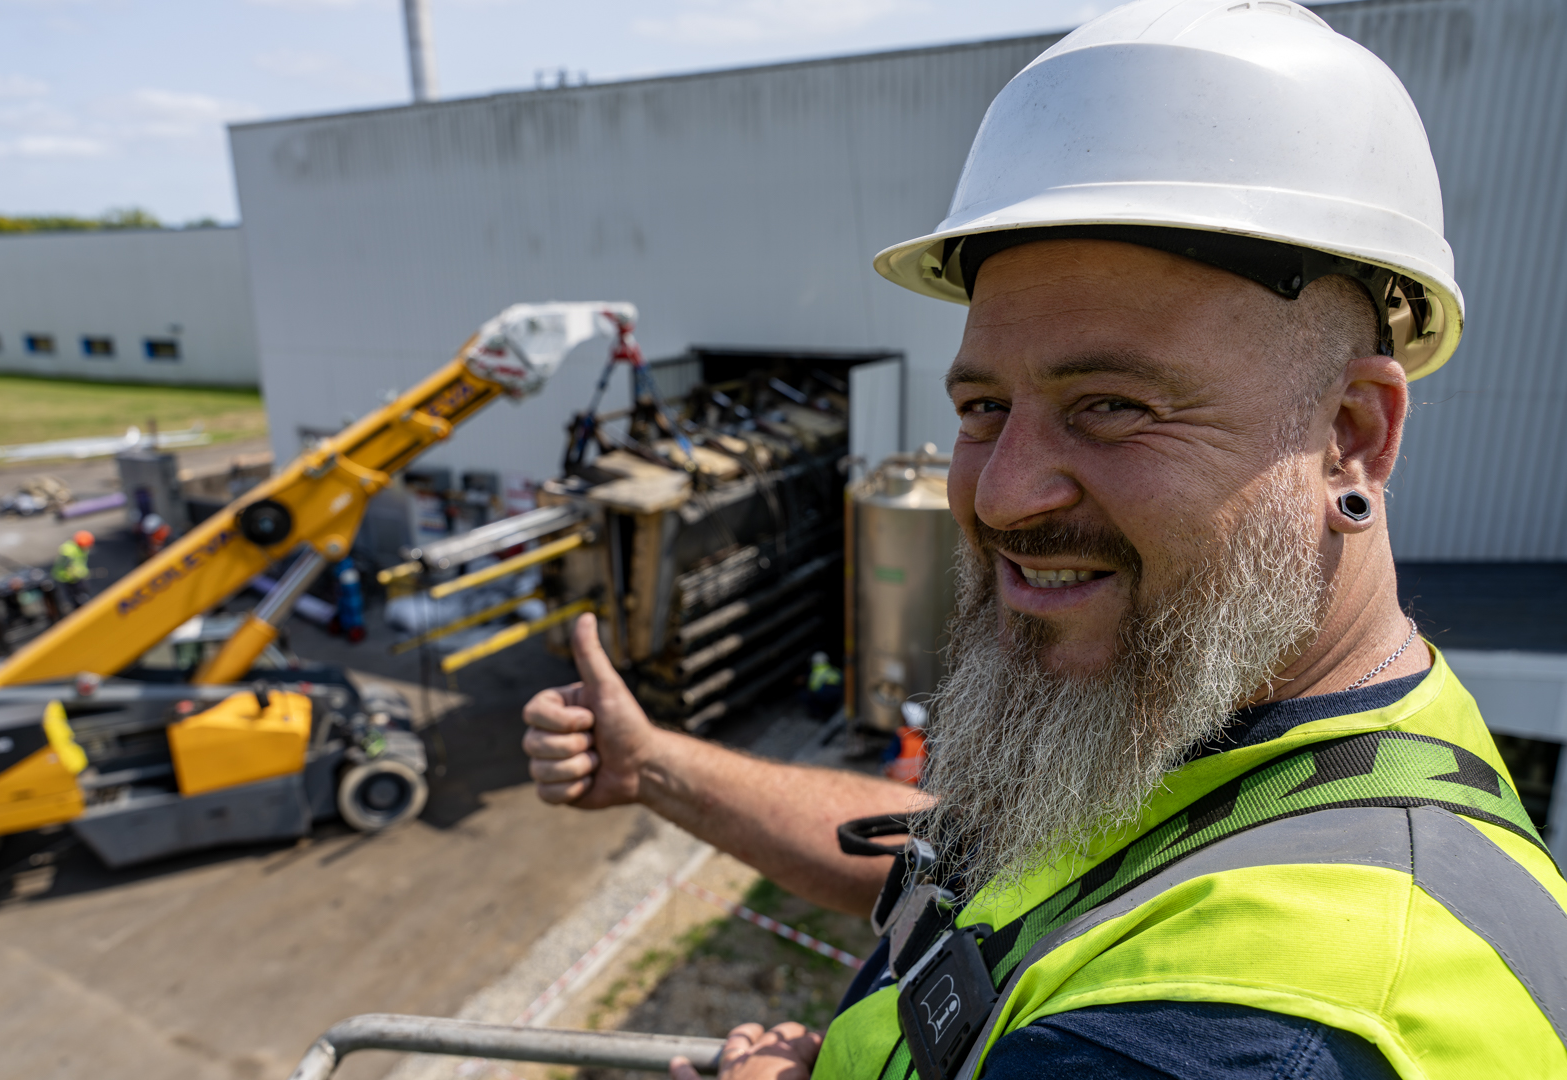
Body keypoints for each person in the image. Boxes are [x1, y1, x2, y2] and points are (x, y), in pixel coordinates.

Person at [521, 2, 1565, 1077]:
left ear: (1348, 437)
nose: (1003, 493)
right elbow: (970, 860)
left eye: (1111, 403)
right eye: (982, 407)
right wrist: (651, 766)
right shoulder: (1283, 733)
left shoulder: (1250, 1034)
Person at [51, 530, 94, 610]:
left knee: (83, 593)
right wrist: (73, 572)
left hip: (78, 576)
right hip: (69, 578)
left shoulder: (81, 548)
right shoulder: (67, 551)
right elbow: (63, 565)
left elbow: (79, 562)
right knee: (76, 596)